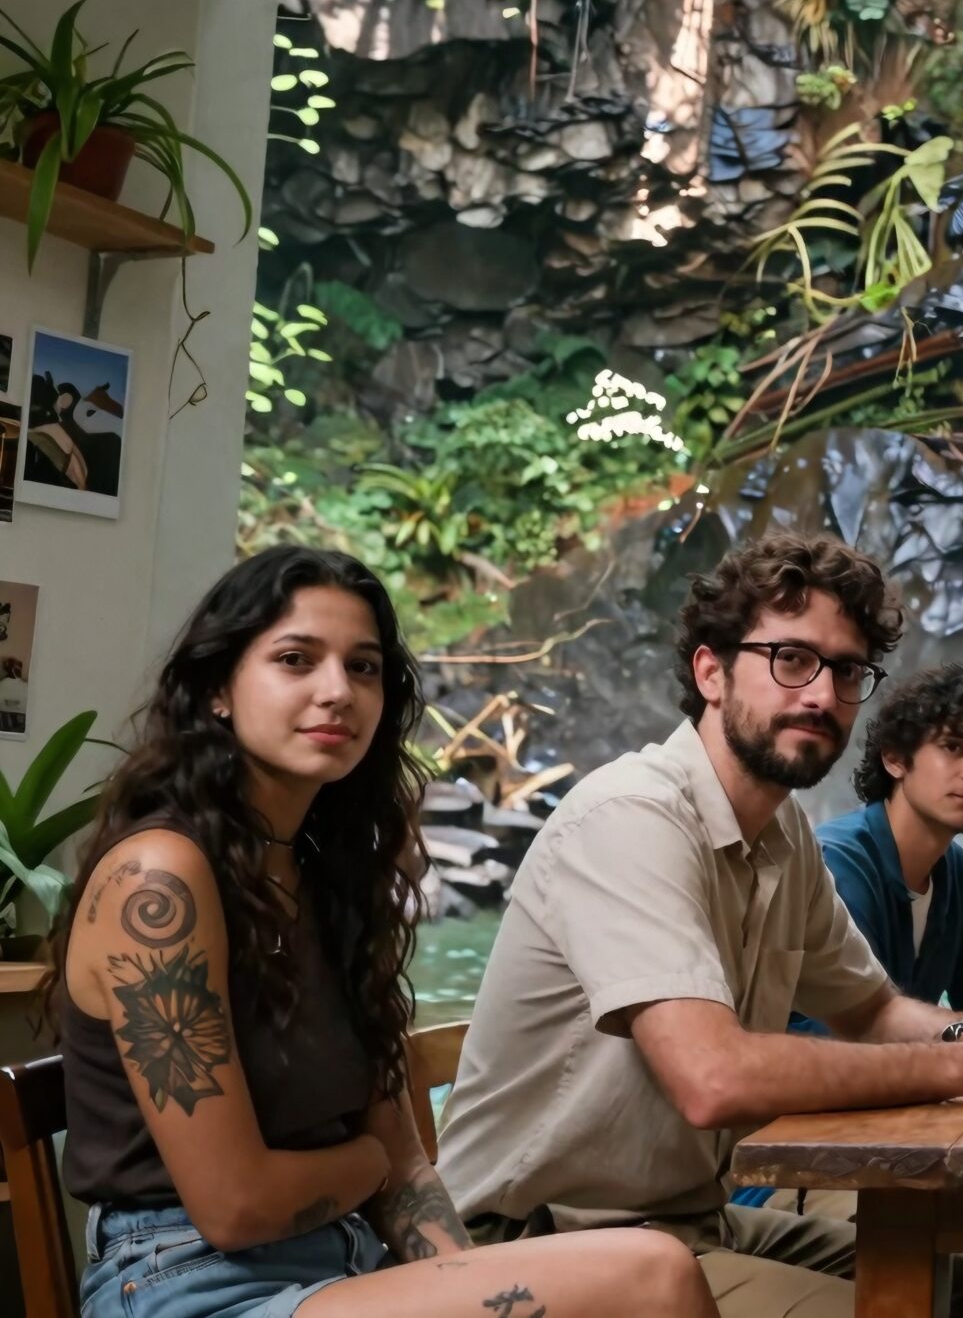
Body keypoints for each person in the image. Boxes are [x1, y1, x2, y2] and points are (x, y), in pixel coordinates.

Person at [436, 532, 963, 1318]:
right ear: (710, 671)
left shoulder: (783, 837)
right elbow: (711, 1079)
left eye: (846, 670)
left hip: (685, 1222)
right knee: (918, 1308)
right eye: (790, 658)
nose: (821, 693)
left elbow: (874, 1009)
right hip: (534, 1244)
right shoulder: (632, 816)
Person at [53, 545, 718, 1318]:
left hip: (348, 1271)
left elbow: (409, 1171)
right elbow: (236, 1204)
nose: (337, 691)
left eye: (363, 666)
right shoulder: (158, 883)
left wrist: (462, 1278)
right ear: (216, 691)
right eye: (296, 659)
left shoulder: (328, 877)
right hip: (190, 1285)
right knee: (654, 1273)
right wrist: (370, 1162)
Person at [733, 664, 963, 1318]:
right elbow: (824, 1037)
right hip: (795, 1169)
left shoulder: (952, 870)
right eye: (954, 748)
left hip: (898, 1150)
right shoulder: (840, 863)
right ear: (895, 757)